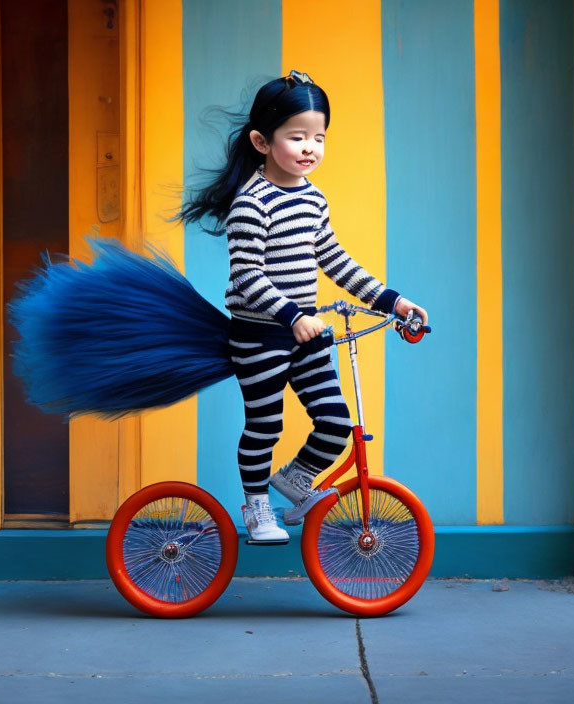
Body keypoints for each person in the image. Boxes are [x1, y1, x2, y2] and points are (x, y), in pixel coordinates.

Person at [180, 71, 428, 543]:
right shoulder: (251, 204)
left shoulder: (313, 199)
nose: (310, 147)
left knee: (335, 421)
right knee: (264, 425)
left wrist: (393, 302)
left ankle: (294, 482)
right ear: (261, 141)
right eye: (297, 137)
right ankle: (256, 509)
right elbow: (247, 278)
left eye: (319, 137)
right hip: (261, 337)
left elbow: (335, 260)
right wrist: (292, 316)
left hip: (306, 334)